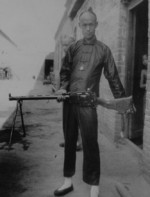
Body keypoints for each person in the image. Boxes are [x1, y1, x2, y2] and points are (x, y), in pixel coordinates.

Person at [54, 9, 126, 197]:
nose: (87, 28)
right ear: (80, 26)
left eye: (90, 24)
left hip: (88, 104)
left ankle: (94, 187)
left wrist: (123, 103)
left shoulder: (104, 50)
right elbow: (65, 73)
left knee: (90, 143)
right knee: (69, 141)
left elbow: (113, 78)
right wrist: (62, 88)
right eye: (84, 24)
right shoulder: (73, 48)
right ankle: (67, 181)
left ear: (96, 25)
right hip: (69, 102)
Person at [60, 35, 82, 151]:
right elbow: (64, 75)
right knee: (67, 118)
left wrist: (64, 88)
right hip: (67, 92)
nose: (64, 47)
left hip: (76, 91)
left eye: (66, 45)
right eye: (63, 45)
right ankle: (68, 140)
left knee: (75, 119)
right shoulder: (65, 58)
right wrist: (62, 88)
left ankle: (78, 143)